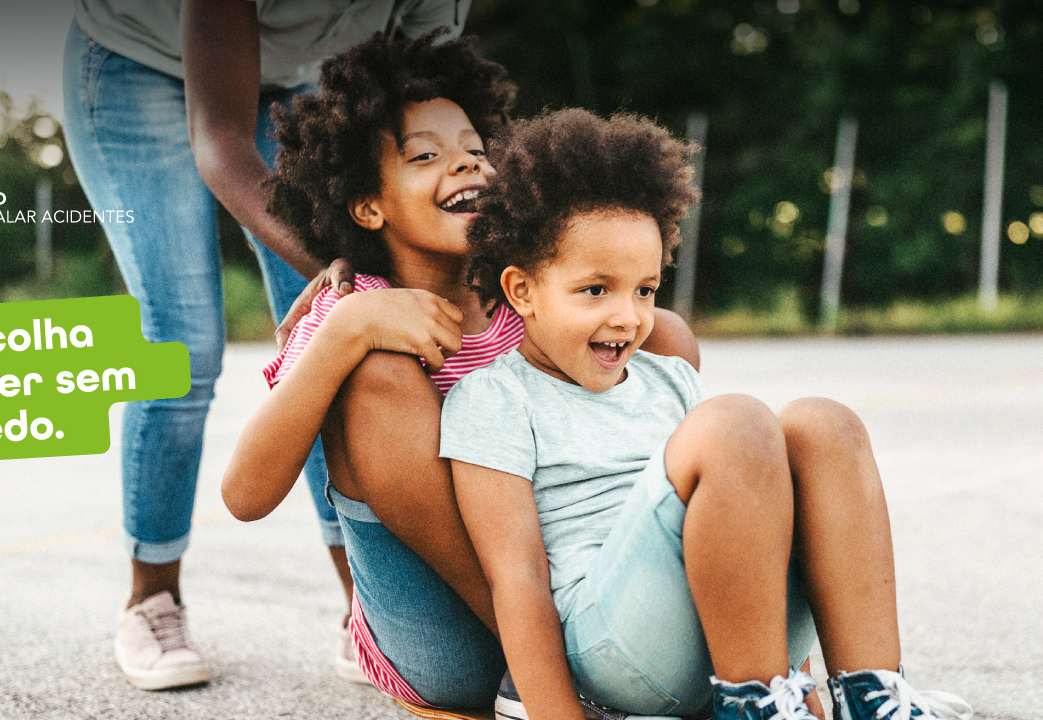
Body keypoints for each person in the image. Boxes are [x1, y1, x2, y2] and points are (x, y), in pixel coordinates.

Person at [442, 109, 975, 720]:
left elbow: (749, 534)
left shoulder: (668, 380)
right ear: (522, 291)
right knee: (738, 425)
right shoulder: (494, 399)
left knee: (826, 425)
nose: (628, 316)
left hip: (727, 634)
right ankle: (756, 707)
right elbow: (518, 583)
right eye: (596, 290)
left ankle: (872, 697)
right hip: (616, 649)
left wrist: (801, 682)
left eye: (644, 289)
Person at [220, 31, 700, 708]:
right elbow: (244, 497)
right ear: (367, 206)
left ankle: (612, 628)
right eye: (427, 156)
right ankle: (551, 664)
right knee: (377, 374)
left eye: (477, 151)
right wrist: (345, 331)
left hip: (561, 575)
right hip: (443, 626)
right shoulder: (353, 310)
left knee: (664, 338)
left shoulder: (524, 292)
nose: (468, 166)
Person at [62, 0, 465, 690]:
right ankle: (151, 598)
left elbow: (439, 99)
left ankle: (363, 607)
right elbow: (219, 139)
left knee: (340, 344)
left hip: (302, 76)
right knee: (181, 344)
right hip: (139, 64)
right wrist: (360, 273)